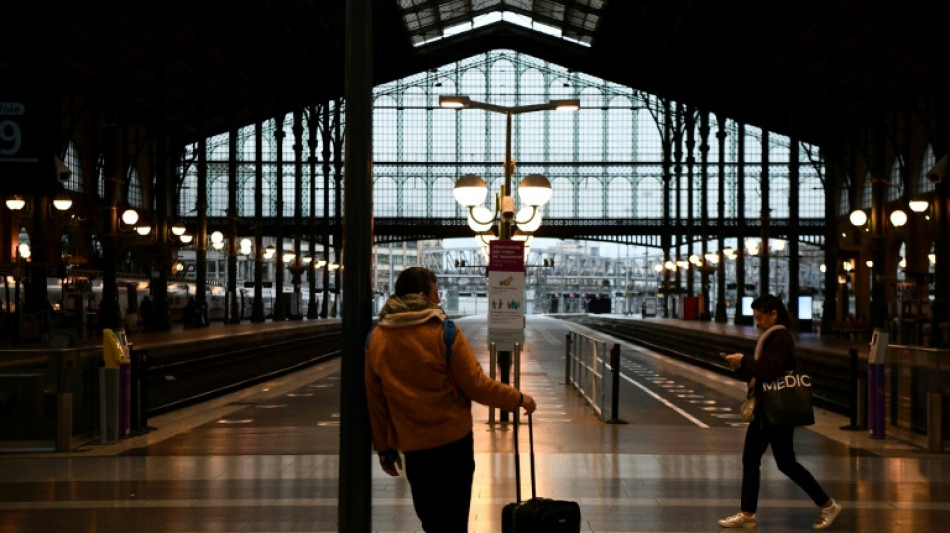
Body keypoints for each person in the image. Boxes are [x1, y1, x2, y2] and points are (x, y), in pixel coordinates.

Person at [364, 266, 537, 533]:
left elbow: (376, 401)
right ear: (422, 295)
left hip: (414, 447)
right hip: (452, 445)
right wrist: (517, 398)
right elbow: (476, 385)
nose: (438, 299)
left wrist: (384, 450)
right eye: (435, 293)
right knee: (454, 522)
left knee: (431, 521)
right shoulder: (444, 333)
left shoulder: (377, 339)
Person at [719, 294, 842, 530]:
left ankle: (827, 504)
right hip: (767, 410)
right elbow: (760, 373)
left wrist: (744, 360)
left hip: (775, 411)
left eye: (759, 317)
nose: (757, 322)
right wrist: (739, 366)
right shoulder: (771, 337)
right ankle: (748, 513)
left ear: (773, 314)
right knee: (767, 460)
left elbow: (770, 371)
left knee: (780, 462)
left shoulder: (781, 337)